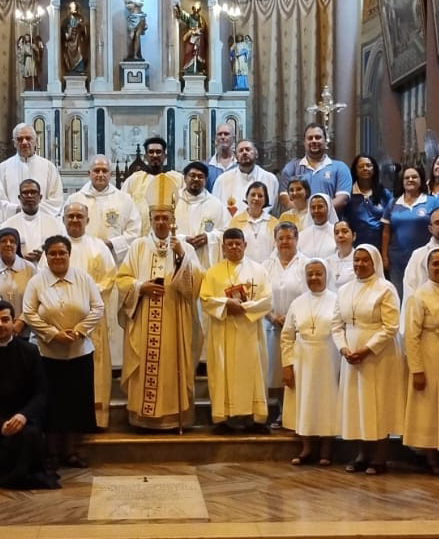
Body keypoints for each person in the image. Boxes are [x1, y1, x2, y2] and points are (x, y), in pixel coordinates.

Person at [115, 179, 204, 430]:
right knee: (144, 366)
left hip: (175, 320)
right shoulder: (138, 246)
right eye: (157, 218)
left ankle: (173, 418)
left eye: (166, 218)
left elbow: (197, 283)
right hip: (144, 319)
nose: (161, 222)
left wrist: (182, 257)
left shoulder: (184, 247)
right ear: (150, 219)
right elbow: (122, 280)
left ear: (173, 219)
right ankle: (142, 419)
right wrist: (140, 287)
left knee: (172, 367)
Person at [22, 235, 104, 466]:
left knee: (74, 403)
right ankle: (51, 453)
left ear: (69, 254)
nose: (57, 257)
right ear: (46, 256)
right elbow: (29, 312)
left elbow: (98, 307)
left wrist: (79, 331)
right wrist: (52, 334)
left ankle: (70, 451)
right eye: (52, 253)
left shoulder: (83, 278)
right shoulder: (36, 282)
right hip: (47, 353)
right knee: (50, 403)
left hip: (79, 352)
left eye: (62, 253)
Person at [0, 301, 61, 489]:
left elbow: (41, 393)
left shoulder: (30, 352)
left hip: (22, 418)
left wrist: (23, 416)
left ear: (13, 321)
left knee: (30, 434)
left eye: (4, 319)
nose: (0, 324)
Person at [334, 244, 405, 475]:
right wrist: (344, 348)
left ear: (375, 262)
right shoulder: (344, 290)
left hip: (378, 355)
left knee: (379, 403)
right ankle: (362, 455)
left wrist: (366, 349)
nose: (360, 264)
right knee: (357, 404)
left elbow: (391, 326)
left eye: (365, 260)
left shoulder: (385, 288)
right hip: (351, 355)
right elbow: (336, 325)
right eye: (356, 260)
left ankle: (380, 457)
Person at [52, 202, 119, 429]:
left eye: (79, 216)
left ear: (87, 220)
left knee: (95, 369)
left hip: (92, 320)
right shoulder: (55, 247)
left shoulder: (99, 247)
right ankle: (67, 423)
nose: (74, 220)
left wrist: (85, 298)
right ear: (63, 219)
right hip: (60, 320)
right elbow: (45, 278)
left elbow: (110, 278)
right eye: (70, 216)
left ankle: (97, 419)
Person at [199, 229, 274, 433]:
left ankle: (256, 419)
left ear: (245, 245)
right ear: (223, 247)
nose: (234, 247)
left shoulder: (259, 270)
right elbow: (205, 300)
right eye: (229, 244)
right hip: (223, 331)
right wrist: (226, 304)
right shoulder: (213, 272)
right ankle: (222, 419)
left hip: (250, 331)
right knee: (222, 372)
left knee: (253, 373)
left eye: (237, 243)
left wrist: (243, 308)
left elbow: (268, 300)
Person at [403, 248, 439, 474]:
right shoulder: (419, 295)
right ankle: (431, 457)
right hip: (428, 353)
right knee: (429, 407)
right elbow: (411, 335)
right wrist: (416, 369)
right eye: (435, 264)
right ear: (426, 267)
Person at [280, 259, 341, 465]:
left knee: (326, 402)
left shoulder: (336, 300)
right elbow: (287, 336)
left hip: (329, 358)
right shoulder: (297, 303)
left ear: (326, 276)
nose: (314, 278)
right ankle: (306, 448)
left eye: (318, 274)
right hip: (302, 359)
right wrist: (287, 365)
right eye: (310, 274)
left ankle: (326, 449)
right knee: (304, 401)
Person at [264, 222, 307, 427]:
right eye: (280, 238)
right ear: (275, 241)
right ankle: (283, 413)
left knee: (298, 371)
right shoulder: (266, 265)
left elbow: (310, 295)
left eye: (289, 238)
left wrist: (293, 319)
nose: (284, 242)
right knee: (278, 373)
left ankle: (300, 414)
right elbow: (259, 295)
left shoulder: (305, 264)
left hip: (299, 328)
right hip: (272, 326)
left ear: (296, 239)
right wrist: (271, 316)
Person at [68, 154, 142, 262]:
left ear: (110, 174)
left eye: (104, 171)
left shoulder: (125, 200)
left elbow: (134, 231)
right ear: (89, 173)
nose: (100, 174)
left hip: (114, 259)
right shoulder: (75, 200)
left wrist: (112, 243)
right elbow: (64, 230)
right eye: (96, 171)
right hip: (83, 258)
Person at [385, 165, 439, 289]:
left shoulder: (432, 202)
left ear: (421, 180)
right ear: (402, 182)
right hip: (397, 260)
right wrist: (384, 256)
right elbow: (386, 232)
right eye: (407, 178)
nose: (410, 180)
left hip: (425, 259)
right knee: (400, 296)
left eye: (414, 177)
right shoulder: (393, 203)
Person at [0, 124, 64, 216]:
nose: (24, 142)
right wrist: (18, 209)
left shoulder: (49, 168)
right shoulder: (2, 169)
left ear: (35, 141)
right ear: (14, 143)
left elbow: (56, 201)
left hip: (42, 221)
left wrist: (32, 210)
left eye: (28, 138)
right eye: (19, 139)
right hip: (13, 220)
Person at [280, 123, 353, 211]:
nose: (314, 141)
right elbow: (285, 198)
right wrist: (306, 214)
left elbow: (342, 199)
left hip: (330, 219)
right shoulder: (291, 168)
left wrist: (317, 211)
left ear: (325, 141)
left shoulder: (340, 168)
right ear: (304, 142)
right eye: (310, 138)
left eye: (318, 137)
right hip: (299, 219)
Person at [175, 161, 228, 269]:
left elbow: (226, 232)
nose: (196, 179)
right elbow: (163, 232)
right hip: (178, 258)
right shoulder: (174, 201)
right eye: (192, 175)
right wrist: (183, 239)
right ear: (185, 178)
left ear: (205, 180)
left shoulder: (216, 204)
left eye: (200, 176)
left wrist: (209, 237)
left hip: (205, 261)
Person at [210, 139, 279, 218]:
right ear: (236, 156)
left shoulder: (270, 179)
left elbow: (273, 212)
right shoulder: (222, 180)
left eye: (248, 149)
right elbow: (215, 210)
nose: (245, 152)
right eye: (241, 151)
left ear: (256, 153)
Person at [0, 228, 36, 321]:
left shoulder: (30, 268)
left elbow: (34, 300)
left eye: (12, 241)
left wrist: (21, 321)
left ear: (17, 245)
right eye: (3, 241)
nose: (8, 244)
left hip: (25, 324)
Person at [345, 155, 390, 265]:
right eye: (361, 166)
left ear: (374, 169)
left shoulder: (384, 193)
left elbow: (390, 222)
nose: (365, 168)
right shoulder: (348, 194)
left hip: (380, 249)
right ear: (355, 171)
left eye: (368, 165)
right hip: (355, 250)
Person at [4, 180, 64, 263]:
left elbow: (63, 250)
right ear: (19, 198)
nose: (29, 195)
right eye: (25, 193)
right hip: (19, 269)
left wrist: (44, 257)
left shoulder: (55, 224)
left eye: (33, 192)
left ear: (40, 197)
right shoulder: (8, 225)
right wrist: (19, 258)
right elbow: (1, 253)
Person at [121, 136, 184, 210]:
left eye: (158, 152)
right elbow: (123, 204)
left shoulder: (178, 179)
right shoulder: (134, 180)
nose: (155, 155)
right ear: (145, 156)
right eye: (151, 152)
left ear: (165, 156)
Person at [228, 181, 278, 264]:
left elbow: (277, 249)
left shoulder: (274, 222)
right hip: (242, 267)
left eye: (260, 196)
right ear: (247, 197)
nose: (256, 198)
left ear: (265, 200)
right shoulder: (235, 222)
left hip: (268, 268)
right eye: (253, 195)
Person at [297, 192, 339, 260]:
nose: (316, 211)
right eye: (313, 208)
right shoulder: (301, 236)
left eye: (320, 207)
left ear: (328, 208)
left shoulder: (337, 233)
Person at [203, 122, 238, 191]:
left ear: (233, 138)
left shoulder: (240, 165)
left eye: (226, 134)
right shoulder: (206, 167)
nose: (223, 137)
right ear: (216, 138)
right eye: (219, 134)